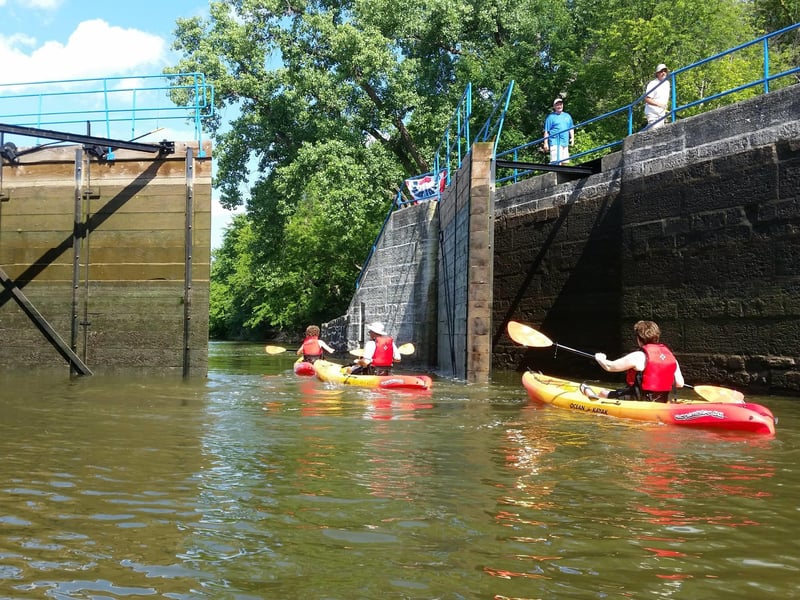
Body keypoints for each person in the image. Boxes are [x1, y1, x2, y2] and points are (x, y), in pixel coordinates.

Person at [580, 320, 684, 403]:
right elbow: (680, 384)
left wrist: (600, 359)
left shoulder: (638, 356)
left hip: (638, 400)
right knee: (620, 391)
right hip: (662, 400)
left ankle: (586, 390)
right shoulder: (671, 357)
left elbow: (609, 367)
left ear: (639, 339)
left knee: (603, 393)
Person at [543, 97, 574, 164]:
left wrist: (572, 138)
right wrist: (545, 143)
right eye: (557, 105)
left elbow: (571, 128)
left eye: (560, 104)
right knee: (556, 162)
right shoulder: (550, 117)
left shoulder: (567, 116)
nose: (559, 106)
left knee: (565, 162)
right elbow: (546, 131)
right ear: (554, 106)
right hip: (555, 142)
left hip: (565, 142)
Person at [644, 64, 671, 129]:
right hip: (652, 112)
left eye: (665, 71)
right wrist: (660, 105)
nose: (663, 73)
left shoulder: (667, 83)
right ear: (657, 73)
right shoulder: (653, 83)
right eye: (661, 71)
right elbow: (647, 99)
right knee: (655, 130)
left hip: (661, 113)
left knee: (659, 130)